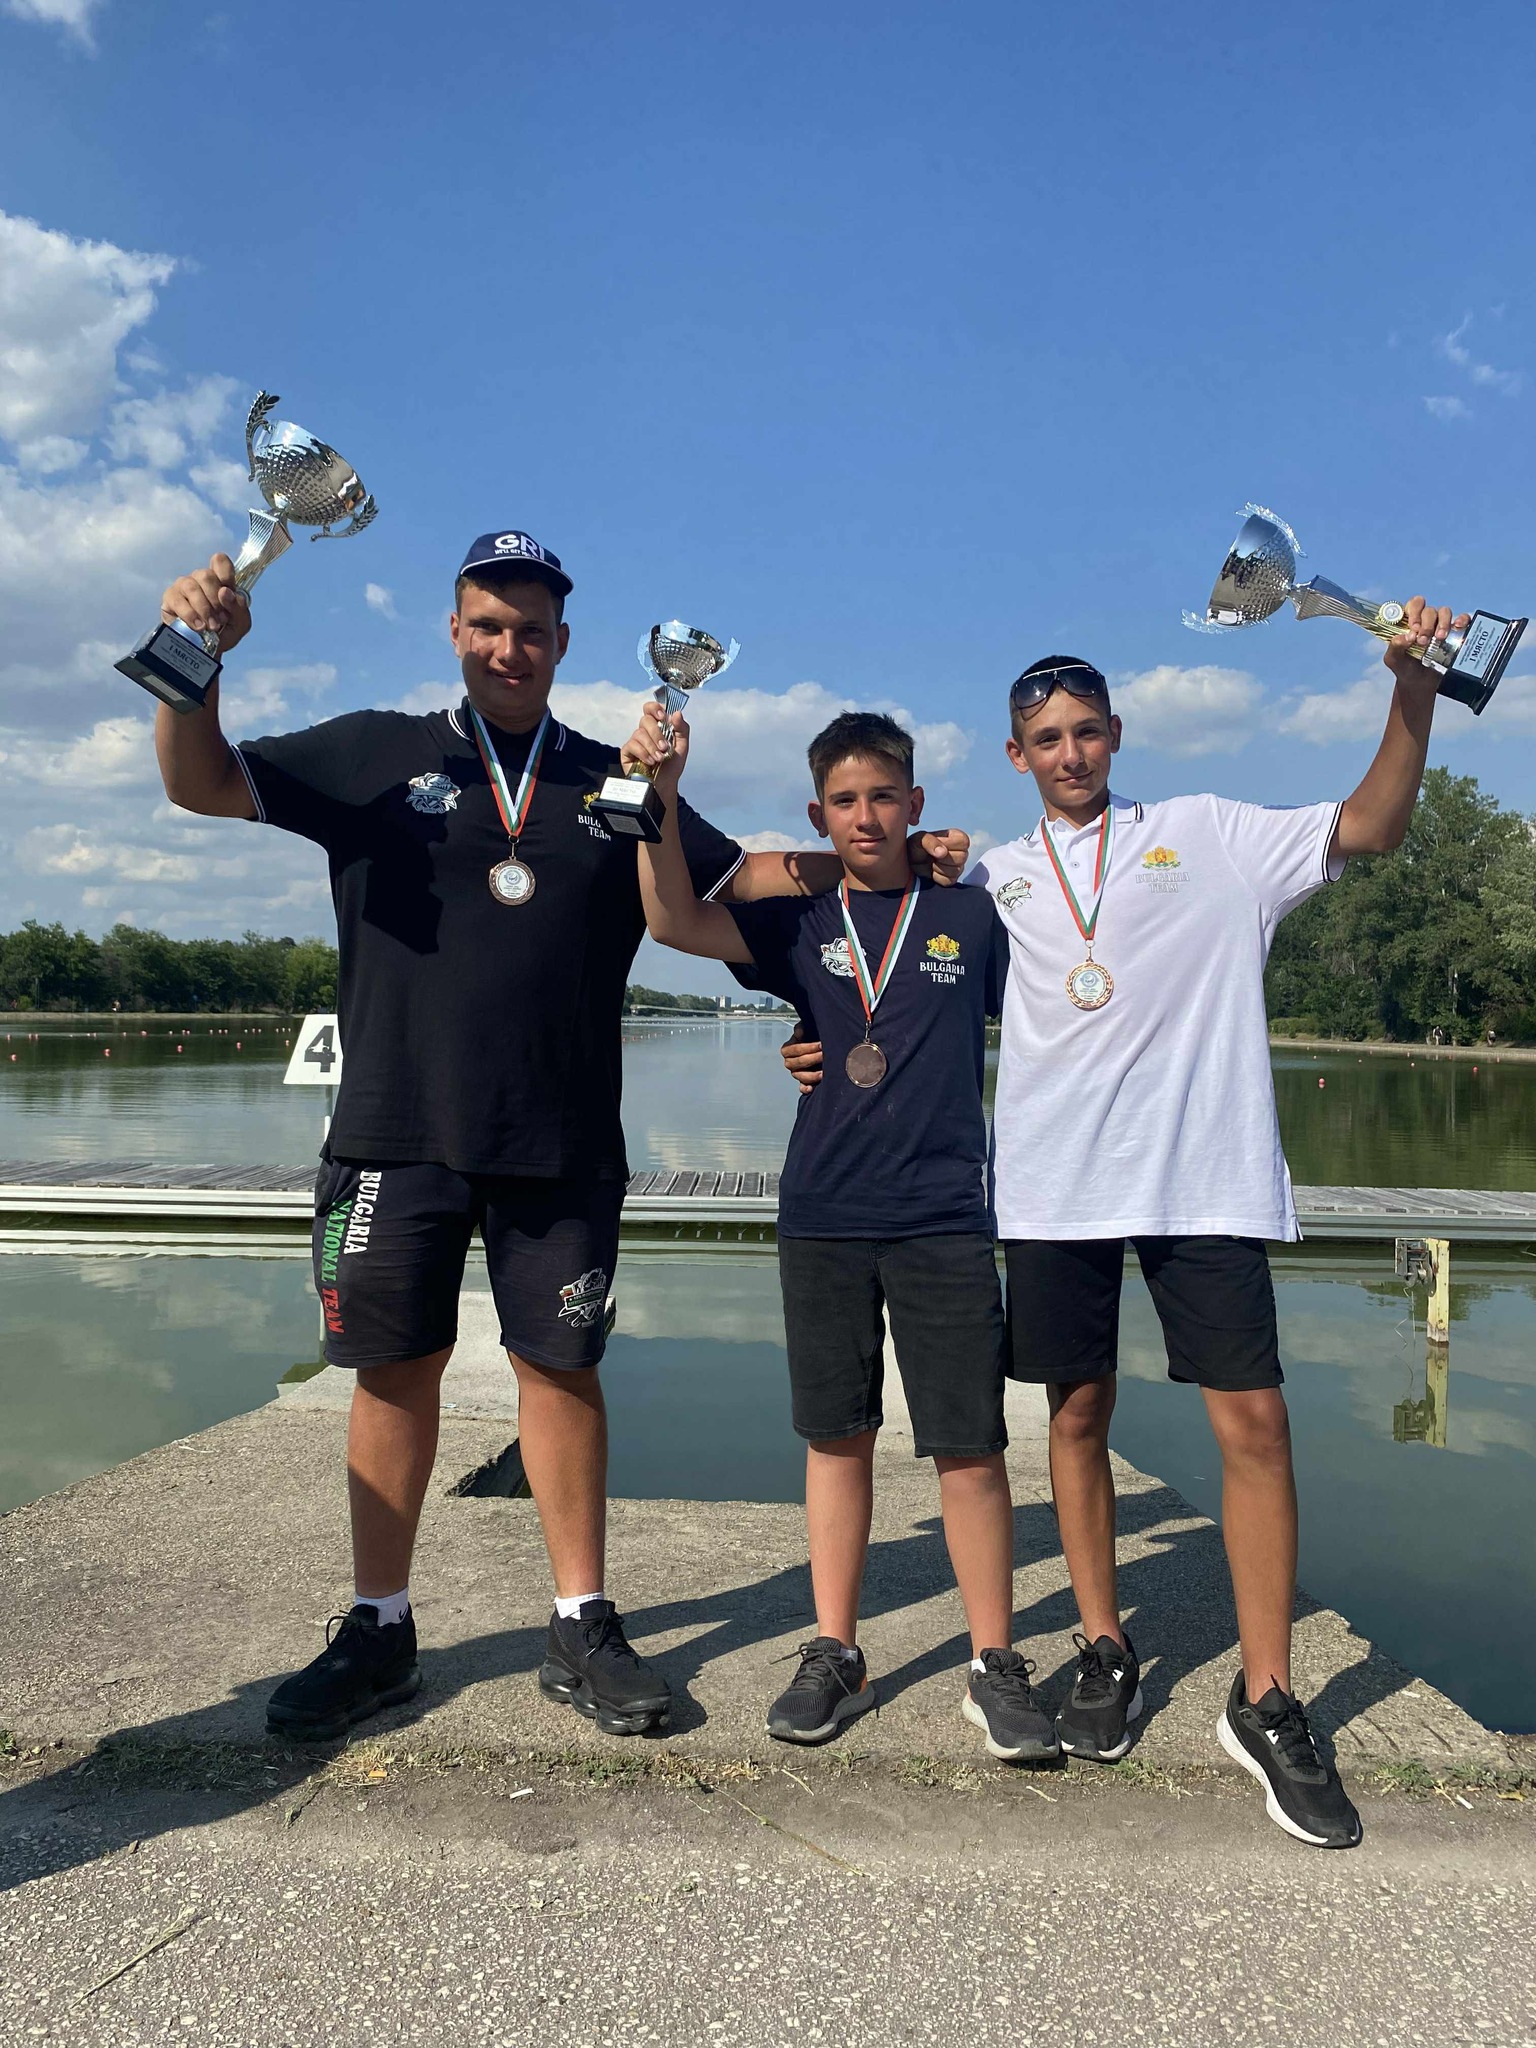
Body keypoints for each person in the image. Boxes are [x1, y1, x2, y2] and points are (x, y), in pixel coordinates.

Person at [152, 533, 967, 1743]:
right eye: (487, 624)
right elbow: (201, 780)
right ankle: (379, 1627)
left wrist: (890, 856)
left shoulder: (608, 780)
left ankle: (581, 1620)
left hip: (562, 1133)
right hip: (393, 1132)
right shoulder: (374, 752)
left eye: (530, 629)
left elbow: (741, 880)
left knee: (562, 1369)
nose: (509, 647)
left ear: (563, 643)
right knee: (393, 1371)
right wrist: (197, 658)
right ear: (454, 630)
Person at [784, 597, 1464, 1847]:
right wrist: (814, 1038)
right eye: (1046, 737)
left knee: (1254, 1423)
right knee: (1076, 1417)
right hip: (1057, 1191)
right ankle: (1105, 1645)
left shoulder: (1209, 832)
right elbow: (893, 965)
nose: (1071, 753)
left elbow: (1373, 824)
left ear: (1115, 734)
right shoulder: (987, 876)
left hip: (1203, 1180)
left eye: (1087, 731)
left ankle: (1267, 1696)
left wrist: (1411, 686)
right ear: (1016, 754)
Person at [627, 703, 1059, 1761]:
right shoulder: (800, 921)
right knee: (836, 1437)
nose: (867, 817)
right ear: (818, 814)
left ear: (916, 804)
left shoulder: (972, 912)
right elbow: (673, 920)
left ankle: (994, 1661)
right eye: (846, 801)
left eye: (884, 797)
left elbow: (1065, 1016)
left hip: (945, 1215)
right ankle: (836, 1650)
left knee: (971, 1446)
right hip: (824, 1212)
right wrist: (663, 795)